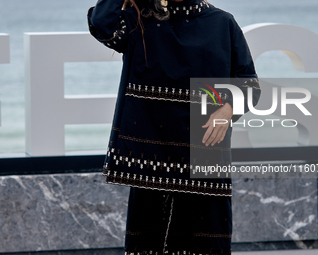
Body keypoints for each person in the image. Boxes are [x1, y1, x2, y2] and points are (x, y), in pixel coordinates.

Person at [87, 0, 261, 254]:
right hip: (153, 158)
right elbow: (102, 23)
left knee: (205, 246)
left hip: (204, 154)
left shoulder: (223, 23)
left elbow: (249, 85)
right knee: (148, 245)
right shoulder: (141, 22)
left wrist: (227, 109)